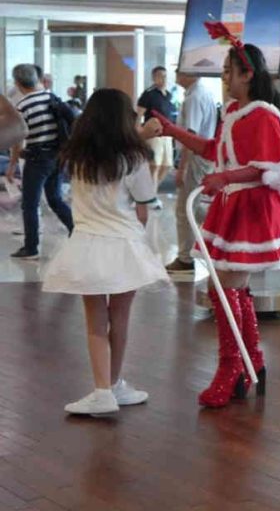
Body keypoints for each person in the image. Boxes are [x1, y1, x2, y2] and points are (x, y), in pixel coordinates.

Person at [147, 37, 280, 408]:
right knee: (230, 289)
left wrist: (226, 179)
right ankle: (250, 362)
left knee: (226, 289)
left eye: (229, 72)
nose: (224, 79)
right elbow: (217, 151)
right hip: (233, 207)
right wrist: (174, 131)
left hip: (250, 208)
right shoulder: (235, 113)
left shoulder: (263, 115)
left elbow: (276, 164)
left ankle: (233, 366)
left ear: (247, 74)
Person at [41, 88, 167, 415]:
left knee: (95, 322)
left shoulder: (76, 158)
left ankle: (103, 390)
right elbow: (144, 205)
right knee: (120, 318)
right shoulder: (135, 159)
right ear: (125, 120)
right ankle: (112, 385)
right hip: (125, 247)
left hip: (86, 246)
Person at [5, 63, 74, 259]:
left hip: (37, 159)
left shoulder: (22, 106)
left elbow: (18, 139)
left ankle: (31, 247)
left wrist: (12, 164)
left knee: (29, 203)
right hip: (57, 156)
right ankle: (76, 231)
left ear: (18, 83)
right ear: (38, 79)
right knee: (55, 199)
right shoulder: (52, 98)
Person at [164, 70, 218, 273]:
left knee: (185, 208)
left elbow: (190, 135)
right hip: (202, 156)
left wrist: (182, 167)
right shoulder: (201, 93)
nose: (176, 74)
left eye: (179, 70)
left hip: (195, 157)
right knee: (194, 206)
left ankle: (185, 258)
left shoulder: (194, 97)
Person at [136, 65, 177, 198]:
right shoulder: (148, 94)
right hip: (153, 135)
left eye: (165, 76)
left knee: (167, 165)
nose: (163, 79)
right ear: (154, 78)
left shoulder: (169, 95)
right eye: (160, 76)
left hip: (167, 135)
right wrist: (138, 130)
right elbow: (139, 114)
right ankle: (151, 196)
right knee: (154, 165)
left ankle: (151, 191)